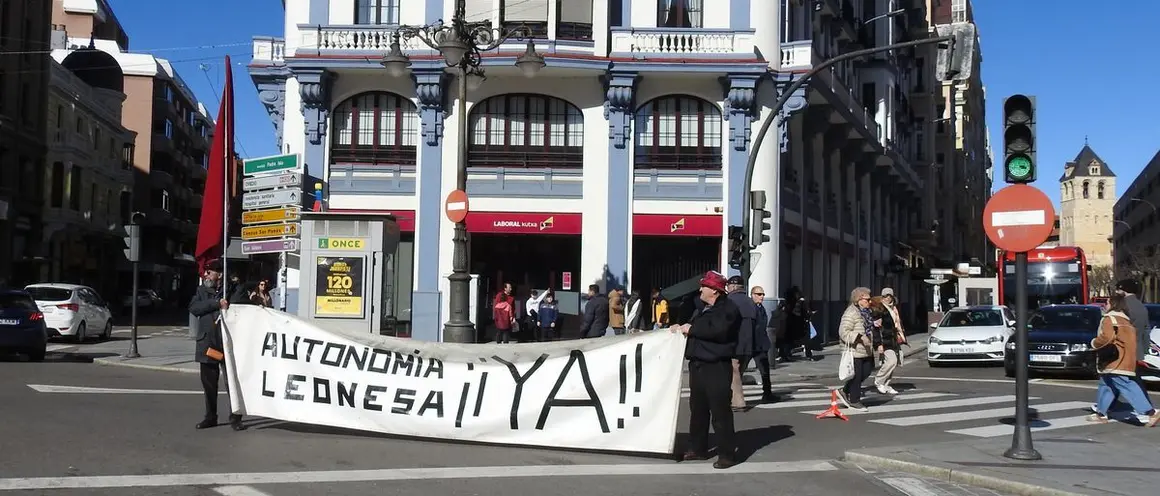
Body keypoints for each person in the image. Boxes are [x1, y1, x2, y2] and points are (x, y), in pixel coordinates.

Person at [673, 271, 741, 469]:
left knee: (720, 412)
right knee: (698, 410)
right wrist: (682, 327)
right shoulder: (703, 308)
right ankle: (698, 448)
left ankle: (727, 454)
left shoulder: (728, 309)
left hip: (716, 366)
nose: (700, 289)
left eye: (704, 286)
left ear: (715, 291)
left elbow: (718, 331)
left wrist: (692, 329)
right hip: (698, 365)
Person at [1088, 294, 1160, 427]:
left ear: (1114, 304)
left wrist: (1094, 343)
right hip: (1126, 358)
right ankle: (1101, 413)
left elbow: (1106, 337)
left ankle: (1150, 412)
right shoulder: (1126, 321)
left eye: (1107, 303)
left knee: (1125, 384)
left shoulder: (1109, 319)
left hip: (1114, 360)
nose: (1105, 305)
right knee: (1106, 384)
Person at [189, 260, 245, 431]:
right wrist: (215, 304)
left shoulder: (235, 289)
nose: (205, 275)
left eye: (209, 272)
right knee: (209, 384)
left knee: (233, 384)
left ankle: (235, 417)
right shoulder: (202, 291)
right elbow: (194, 308)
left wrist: (228, 301)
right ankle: (210, 417)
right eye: (206, 272)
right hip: (207, 343)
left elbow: (241, 309)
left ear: (220, 274)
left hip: (228, 344)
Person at [836, 287, 877, 412]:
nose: (869, 302)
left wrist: (874, 324)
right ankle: (855, 401)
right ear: (859, 299)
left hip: (866, 350)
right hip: (855, 350)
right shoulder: (851, 313)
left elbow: (865, 327)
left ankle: (844, 391)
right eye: (867, 299)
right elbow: (843, 332)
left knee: (867, 371)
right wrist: (859, 337)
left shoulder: (865, 312)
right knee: (857, 376)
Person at [725, 275, 756, 411]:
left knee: (733, 373)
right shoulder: (750, 302)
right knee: (738, 373)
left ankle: (738, 402)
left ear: (732, 286)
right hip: (749, 344)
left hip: (735, 343)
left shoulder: (729, 301)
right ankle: (733, 398)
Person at [873, 288, 906, 395]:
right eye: (885, 296)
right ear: (882, 297)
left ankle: (886, 384)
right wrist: (878, 344)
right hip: (884, 340)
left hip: (893, 339)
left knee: (894, 362)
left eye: (889, 296)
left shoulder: (894, 308)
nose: (887, 298)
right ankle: (879, 381)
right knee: (891, 361)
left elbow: (897, 324)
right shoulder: (879, 309)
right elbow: (876, 328)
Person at [750, 285, 774, 402]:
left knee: (765, 370)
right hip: (751, 344)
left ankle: (767, 394)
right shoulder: (750, 308)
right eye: (759, 294)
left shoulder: (761, 308)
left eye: (763, 294)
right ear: (752, 295)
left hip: (761, 345)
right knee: (739, 370)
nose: (762, 296)